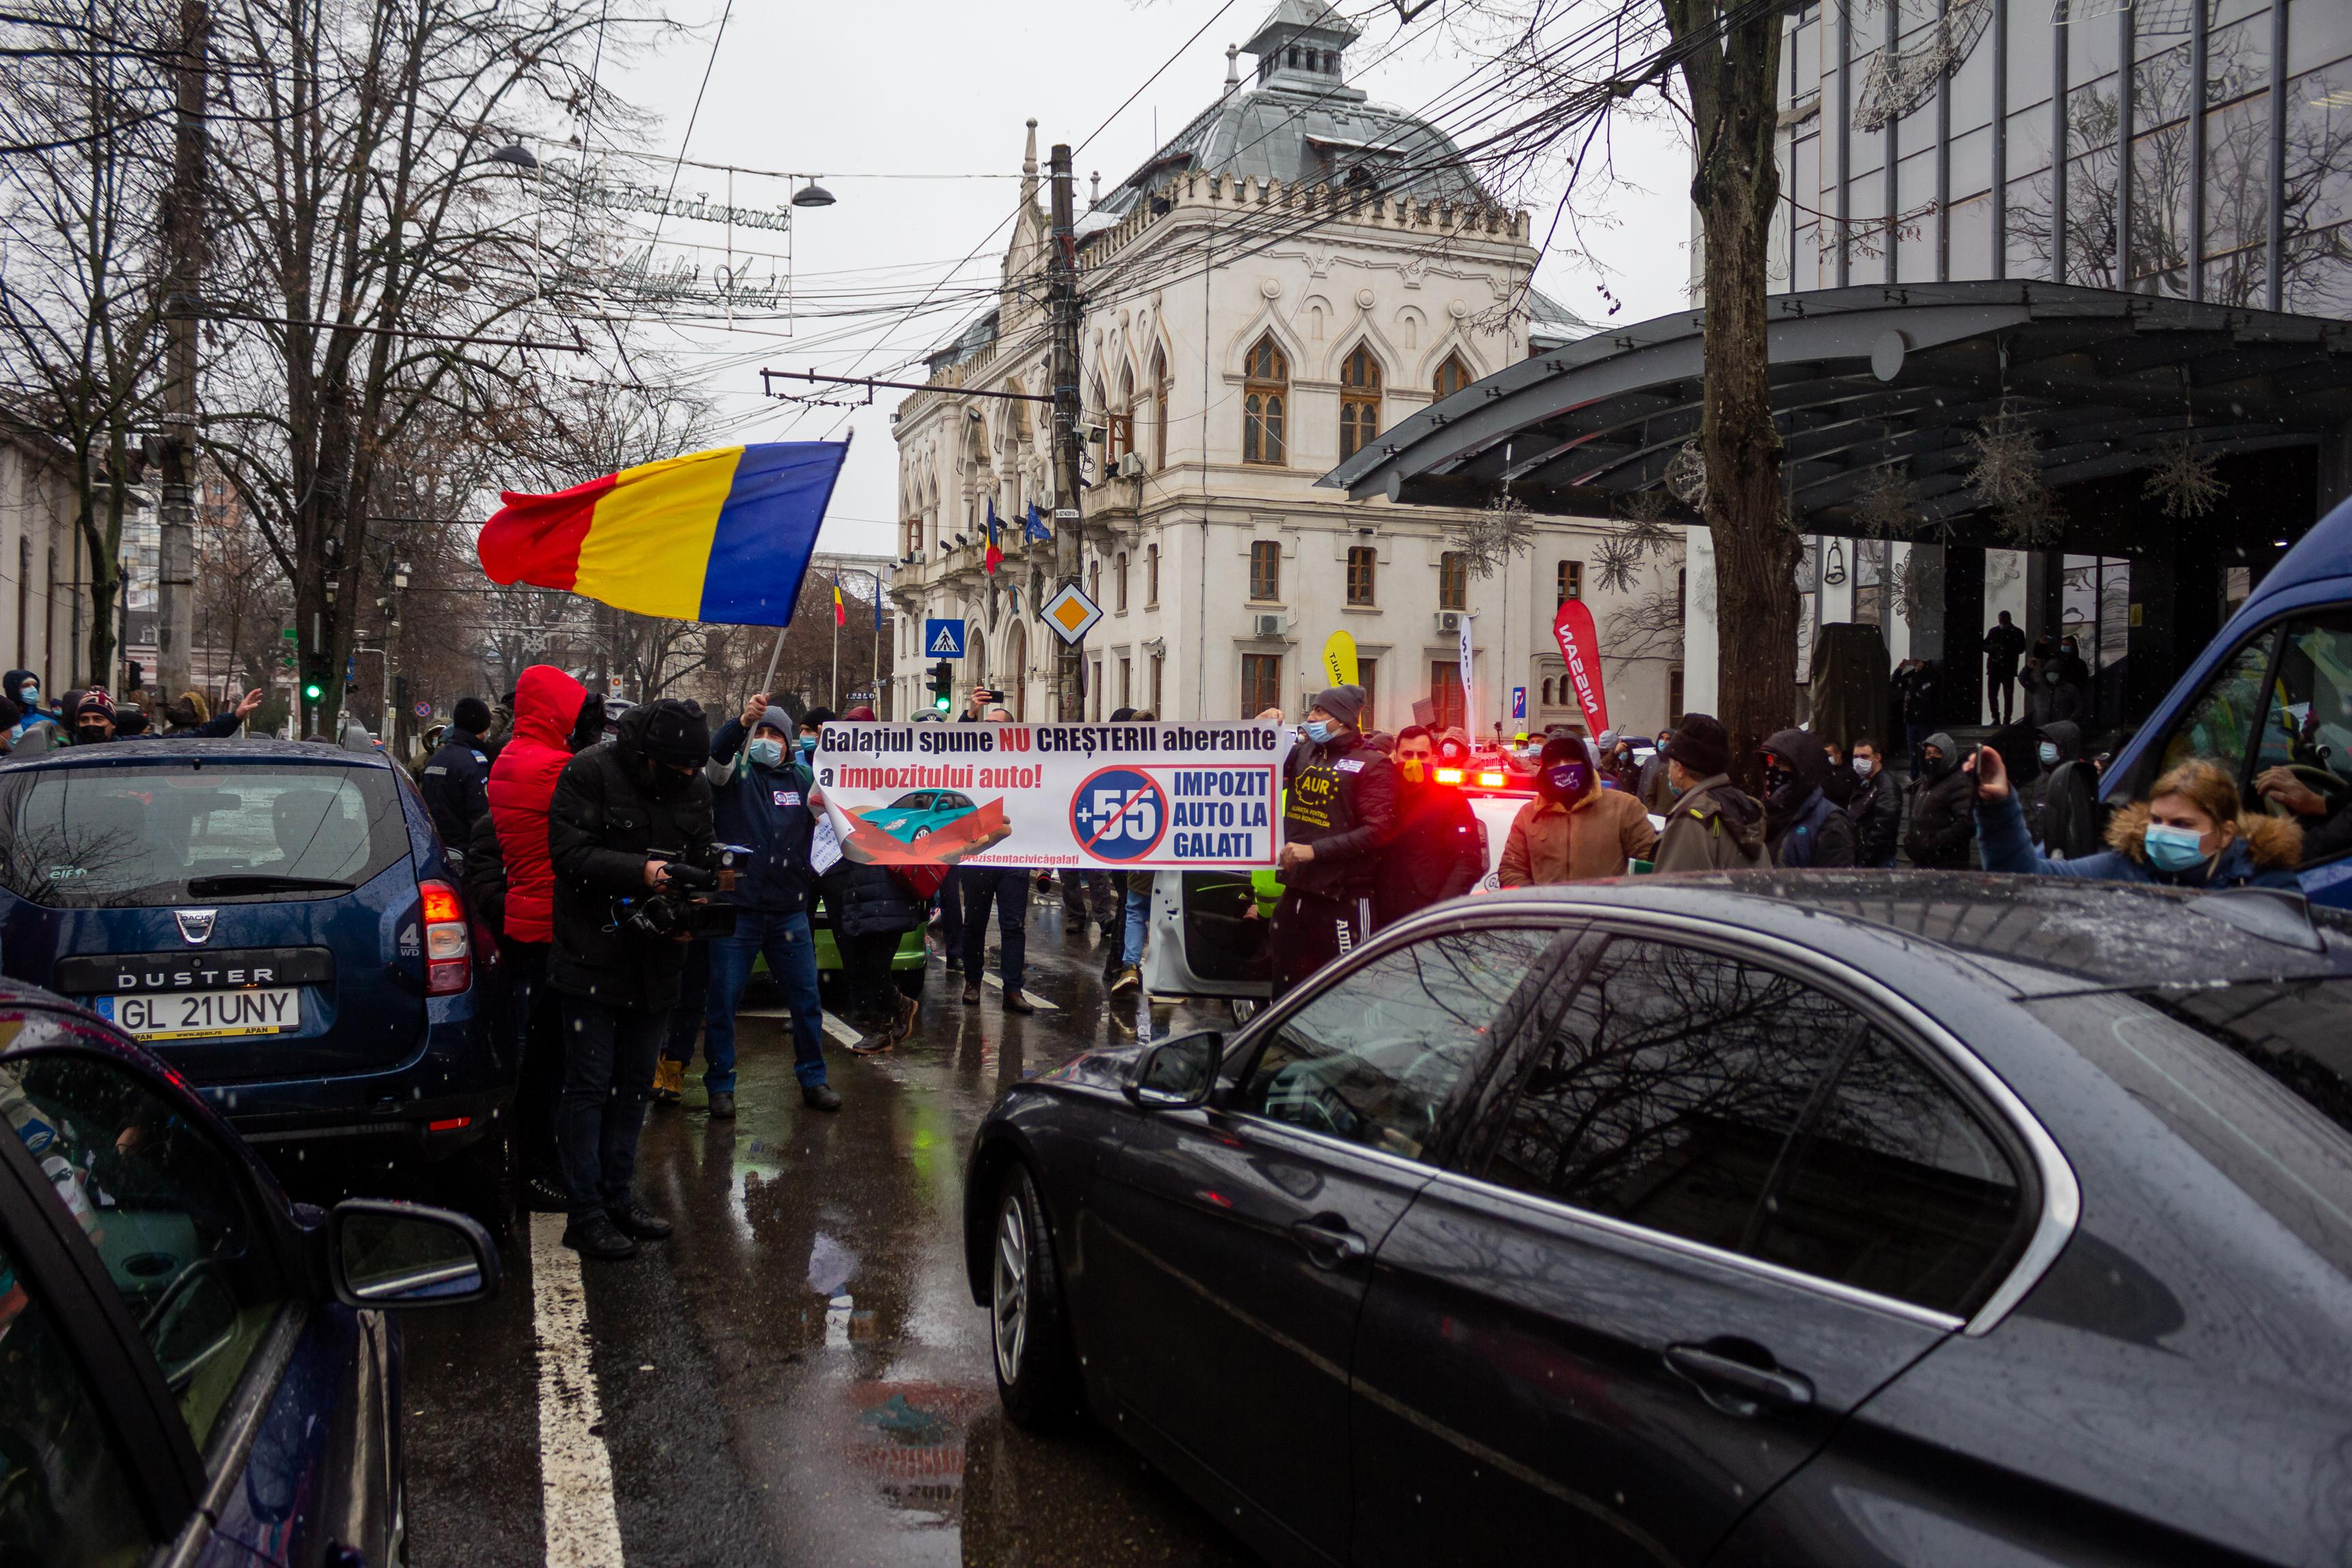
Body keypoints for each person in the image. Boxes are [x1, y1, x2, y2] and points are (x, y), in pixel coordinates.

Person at [545, 697, 715, 1261]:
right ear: (648, 755)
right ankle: (585, 1212)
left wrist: (694, 905)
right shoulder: (589, 771)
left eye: (695, 769)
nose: (689, 777)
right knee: (590, 1087)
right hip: (592, 956)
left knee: (633, 1088)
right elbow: (569, 855)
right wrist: (640, 872)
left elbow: (700, 859)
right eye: (679, 768)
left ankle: (619, 1195)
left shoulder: (694, 786)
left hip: (658, 962)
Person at [470, 667, 602, 1212]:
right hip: (553, 926)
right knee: (554, 1060)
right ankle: (537, 1167)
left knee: (542, 1052)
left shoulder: (511, 758)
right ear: (555, 714)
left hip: (529, 922)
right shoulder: (551, 768)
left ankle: (528, 1161)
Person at [675, 695, 839, 1119]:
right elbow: (716, 759)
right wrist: (737, 724)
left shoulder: (804, 781)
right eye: (760, 733)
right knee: (724, 1003)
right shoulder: (735, 778)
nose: (768, 741)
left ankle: (813, 1078)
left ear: (788, 742)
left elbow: (842, 807)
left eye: (775, 734)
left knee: (806, 1000)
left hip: (789, 912)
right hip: (738, 911)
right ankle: (721, 1085)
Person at [1976, 750, 2303, 890]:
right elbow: (2026, 882)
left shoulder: (2266, 883)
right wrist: (2000, 806)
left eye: (2182, 825)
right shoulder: (2126, 866)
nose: (2162, 832)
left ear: (2226, 833)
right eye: (2157, 820)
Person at [1270, 684, 1396, 996]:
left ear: (1341, 719)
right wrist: (1261, 731)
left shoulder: (1373, 764)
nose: (1310, 717)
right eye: (1312, 709)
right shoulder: (1304, 753)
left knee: (1347, 992)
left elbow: (1379, 830)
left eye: (1319, 711)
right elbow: (1257, 771)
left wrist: (1314, 851)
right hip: (1297, 890)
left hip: (1345, 899)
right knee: (1287, 990)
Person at [1498, 734, 1659, 886]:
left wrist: (1619, 901)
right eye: (1554, 763)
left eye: (1570, 759)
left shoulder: (1624, 807)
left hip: (1606, 912)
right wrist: (1536, 904)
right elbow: (1512, 869)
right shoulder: (1529, 814)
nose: (1563, 767)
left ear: (1586, 763)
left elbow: (1649, 863)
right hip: (1546, 912)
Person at [959, 704, 1036, 1012]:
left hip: (1013, 857)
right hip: (978, 854)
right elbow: (955, 745)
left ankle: (1013, 990)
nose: (986, 728)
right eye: (984, 723)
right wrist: (970, 716)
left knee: (1013, 926)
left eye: (994, 723)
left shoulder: (1022, 759)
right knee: (974, 924)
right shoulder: (972, 757)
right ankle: (973, 982)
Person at [1378, 724, 1487, 920]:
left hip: (1428, 909)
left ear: (1432, 757)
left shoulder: (1451, 799)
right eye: (1407, 754)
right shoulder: (1381, 794)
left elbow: (1468, 861)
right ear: (1395, 756)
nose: (1414, 761)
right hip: (1379, 909)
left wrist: (1440, 911)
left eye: (1422, 755)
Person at [1651, 713, 1766, 873]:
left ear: (1680, 769)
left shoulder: (1693, 819)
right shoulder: (1743, 805)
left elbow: (1675, 891)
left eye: (1670, 764)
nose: (1668, 772)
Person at [1758, 729, 1859, 869]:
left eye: (1781, 761)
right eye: (1771, 762)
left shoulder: (1830, 821)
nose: (1773, 768)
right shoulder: (1767, 811)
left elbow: (1835, 884)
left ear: (1801, 766)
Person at [421, 697, 495, 854]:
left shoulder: (436, 759)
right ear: (482, 728)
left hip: (435, 848)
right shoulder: (475, 763)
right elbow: (480, 817)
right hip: (464, 852)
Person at [1903, 732, 1978, 869]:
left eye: (1937, 753)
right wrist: (1910, 839)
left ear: (1947, 755)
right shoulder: (1926, 783)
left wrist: (1933, 842)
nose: (1931, 758)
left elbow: (1968, 823)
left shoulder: (1959, 782)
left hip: (1947, 867)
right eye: (1928, 753)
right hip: (1923, 864)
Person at [1846, 739, 1903, 867]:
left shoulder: (1886, 787)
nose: (1859, 761)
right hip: (1861, 855)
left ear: (1878, 758)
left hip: (1876, 862)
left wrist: (1866, 859)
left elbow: (1884, 830)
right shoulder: (1864, 783)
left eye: (1865, 757)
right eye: (1856, 757)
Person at [1894, 658, 1940, 774]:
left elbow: (1934, 678)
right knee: (1913, 752)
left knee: (1926, 751)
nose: (1917, 666)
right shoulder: (1912, 680)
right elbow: (1895, 681)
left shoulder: (1929, 679)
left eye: (1920, 663)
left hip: (1924, 721)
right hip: (1911, 721)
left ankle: (1926, 775)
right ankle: (1914, 777)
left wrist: (1923, 667)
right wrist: (1900, 669)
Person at [1982, 612, 2026, 725]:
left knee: (2005, 695)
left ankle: (2005, 718)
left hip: (2006, 668)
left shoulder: (2016, 632)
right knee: (1995, 695)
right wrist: (1994, 647)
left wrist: (2006, 649)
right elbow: (1985, 646)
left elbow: (2021, 648)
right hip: (1997, 667)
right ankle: (1998, 718)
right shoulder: (1995, 631)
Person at [2025, 659, 2083, 728]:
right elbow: (2023, 679)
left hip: (2062, 728)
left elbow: (2079, 706)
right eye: (2049, 673)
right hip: (2041, 727)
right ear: (2045, 674)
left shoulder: (2070, 688)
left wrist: (2071, 720)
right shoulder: (2038, 687)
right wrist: (2028, 668)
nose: (2052, 675)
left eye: (2055, 673)